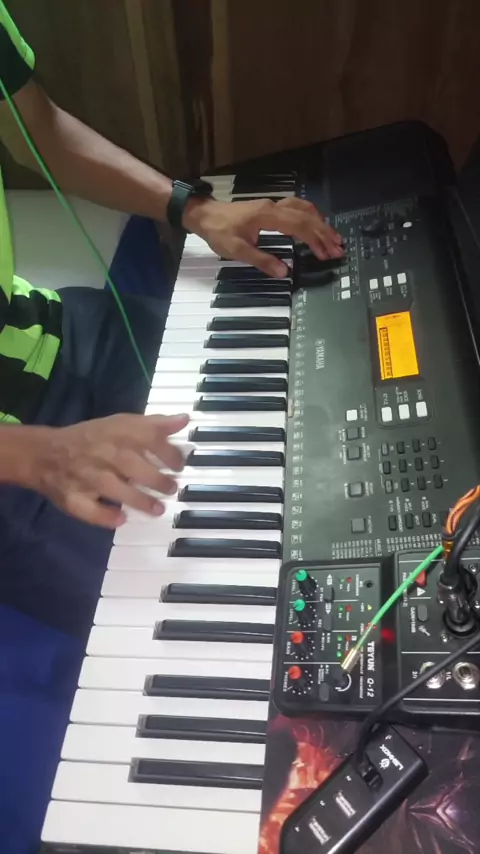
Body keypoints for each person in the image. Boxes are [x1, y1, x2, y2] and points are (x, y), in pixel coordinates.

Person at [0, 1, 343, 635]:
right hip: (11, 466)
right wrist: (37, 455)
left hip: (43, 328)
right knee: (219, 607)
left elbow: (37, 131)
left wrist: (195, 210)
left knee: (301, 394)